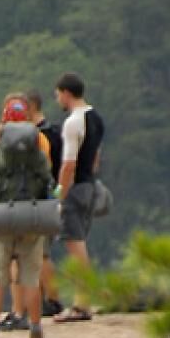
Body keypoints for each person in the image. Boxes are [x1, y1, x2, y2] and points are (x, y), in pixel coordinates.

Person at [0, 95, 54, 329]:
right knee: (31, 281)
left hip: (1, 219)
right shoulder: (38, 153)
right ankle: (35, 330)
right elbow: (48, 182)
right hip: (30, 218)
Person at [53, 72, 106, 320]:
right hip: (90, 185)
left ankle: (82, 302)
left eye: (58, 95)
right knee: (80, 240)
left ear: (65, 92)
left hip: (75, 188)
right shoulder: (96, 118)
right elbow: (96, 156)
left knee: (74, 244)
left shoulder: (73, 122)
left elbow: (68, 165)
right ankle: (85, 298)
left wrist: (60, 195)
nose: (57, 100)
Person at [24, 90, 64, 316]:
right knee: (39, 252)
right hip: (51, 196)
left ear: (30, 106)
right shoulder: (55, 132)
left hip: (42, 198)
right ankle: (43, 298)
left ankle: (52, 299)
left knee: (41, 254)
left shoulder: (40, 136)